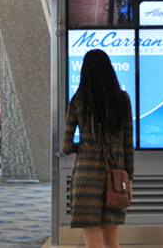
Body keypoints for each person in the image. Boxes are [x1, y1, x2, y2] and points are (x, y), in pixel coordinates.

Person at [63, 49, 134, 248]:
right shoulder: (123, 100)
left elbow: (67, 146)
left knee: (92, 240)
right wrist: (129, 180)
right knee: (112, 239)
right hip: (115, 175)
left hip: (86, 176)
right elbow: (128, 144)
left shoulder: (77, 101)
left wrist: (86, 145)